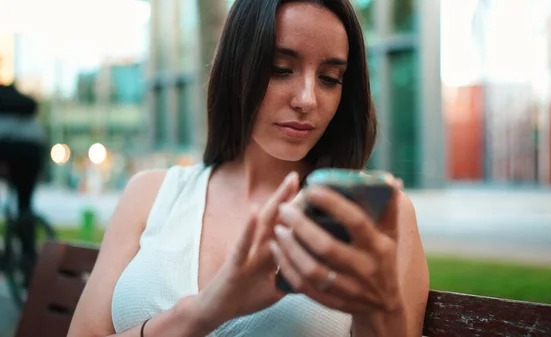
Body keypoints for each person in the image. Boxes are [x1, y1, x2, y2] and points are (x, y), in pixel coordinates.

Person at [68, 0, 429, 336]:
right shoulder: (151, 193)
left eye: (330, 78)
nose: (306, 99)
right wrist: (204, 310)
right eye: (280, 69)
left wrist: (380, 310)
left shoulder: (379, 217)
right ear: (235, 69)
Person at [0, 82, 47, 286]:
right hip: (34, 149)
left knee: (20, 204)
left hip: (7, 147)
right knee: (25, 205)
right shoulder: (22, 101)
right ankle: (29, 259)